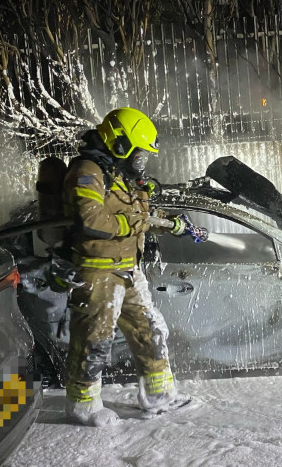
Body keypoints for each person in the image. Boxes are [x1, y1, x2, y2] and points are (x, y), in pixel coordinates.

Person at [62, 107, 192, 426]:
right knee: (95, 340)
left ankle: (160, 395)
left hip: (127, 269)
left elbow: (139, 217)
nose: (142, 161)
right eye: (139, 152)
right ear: (120, 144)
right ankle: (83, 405)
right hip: (98, 272)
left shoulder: (118, 174)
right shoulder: (87, 171)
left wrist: (169, 223)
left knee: (151, 328)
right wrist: (132, 223)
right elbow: (90, 220)